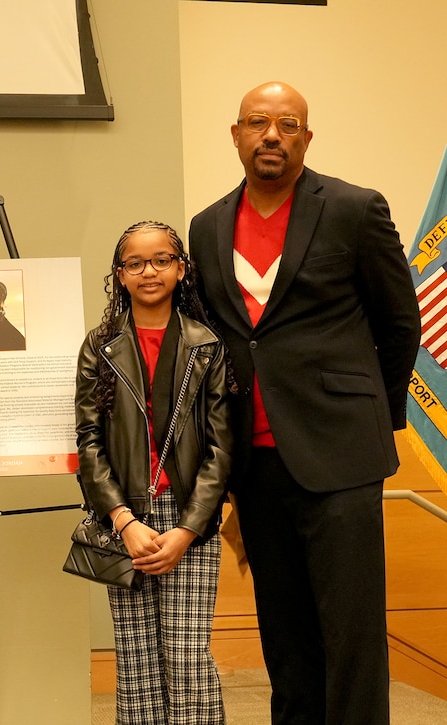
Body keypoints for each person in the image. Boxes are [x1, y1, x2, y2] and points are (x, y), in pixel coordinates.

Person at [189, 81, 421, 724]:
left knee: (350, 634)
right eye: (258, 123)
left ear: (306, 138)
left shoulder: (353, 207)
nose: (272, 135)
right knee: (284, 632)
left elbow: (400, 323)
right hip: (254, 464)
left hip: (340, 456)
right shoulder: (207, 226)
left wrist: (378, 417)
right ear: (235, 135)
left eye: (288, 124)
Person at [76, 220, 234, 724]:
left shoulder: (205, 344)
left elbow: (220, 449)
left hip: (191, 520)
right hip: (125, 521)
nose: (149, 271)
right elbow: (88, 442)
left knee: (187, 663)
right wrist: (123, 520)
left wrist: (188, 530)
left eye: (162, 260)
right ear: (119, 275)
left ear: (181, 269)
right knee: (138, 665)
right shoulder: (99, 346)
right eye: (136, 263)